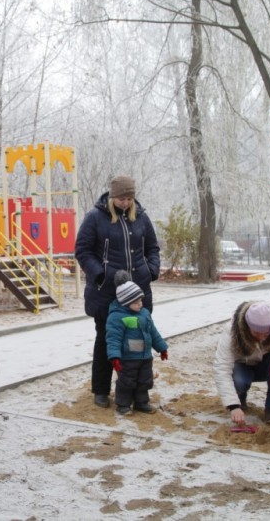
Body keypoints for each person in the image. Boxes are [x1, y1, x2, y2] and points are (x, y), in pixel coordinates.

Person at [75, 175, 161, 409]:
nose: (126, 203)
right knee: (106, 340)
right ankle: (101, 390)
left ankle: (136, 393)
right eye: (122, 198)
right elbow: (82, 251)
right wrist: (101, 275)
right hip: (107, 293)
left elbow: (152, 248)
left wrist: (151, 270)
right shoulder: (95, 218)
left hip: (138, 291)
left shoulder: (141, 217)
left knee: (138, 343)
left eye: (130, 198)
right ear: (113, 197)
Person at [213, 301, 270, 425]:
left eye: (266, 333)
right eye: (256, 333)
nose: (261, 337)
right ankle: (240, 397)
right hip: (242, 365)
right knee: (240, 382)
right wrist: (233, 406)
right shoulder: (233, 331)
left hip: (267, 364)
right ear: (247, 326)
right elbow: (222, 367)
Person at [106, 271, 168, 415]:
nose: (140, 304)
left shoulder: (144, 313)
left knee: (144, 381)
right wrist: (114, 357)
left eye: (140, 300)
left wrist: (162, 348)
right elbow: (113, 338)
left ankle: (141, 402)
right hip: (128, 358)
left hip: (145, 357)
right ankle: (123, 404)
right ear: (126, 302)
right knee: (126, 382)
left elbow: (153, 332)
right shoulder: (117, 317)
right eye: (136, 302)